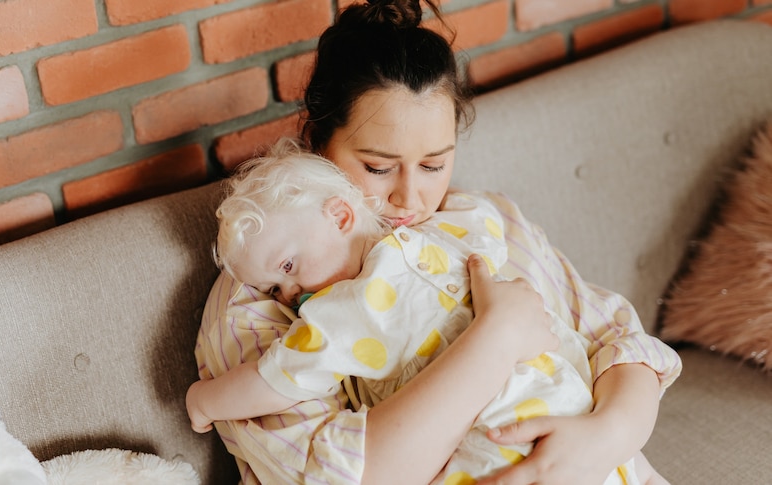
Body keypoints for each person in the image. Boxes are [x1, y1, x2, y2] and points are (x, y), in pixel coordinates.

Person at [192, 1, 683, 484]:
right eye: (379, 168)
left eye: (433, 165)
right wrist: (497, 337)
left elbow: (614, 340)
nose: (410, 197)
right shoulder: (265, 291)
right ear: (321, 149)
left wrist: (606, 434)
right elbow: (341, 474)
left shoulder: (479, 220)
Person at [186, 141, 669, 484]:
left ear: (340, 216)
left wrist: (204, 402)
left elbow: (272, 381)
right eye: (274, 285)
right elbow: (490, 232)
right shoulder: (449, 232)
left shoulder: (340, 315)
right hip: (559, 391)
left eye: (289, 267)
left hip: (500, 428)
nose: (289, 294)